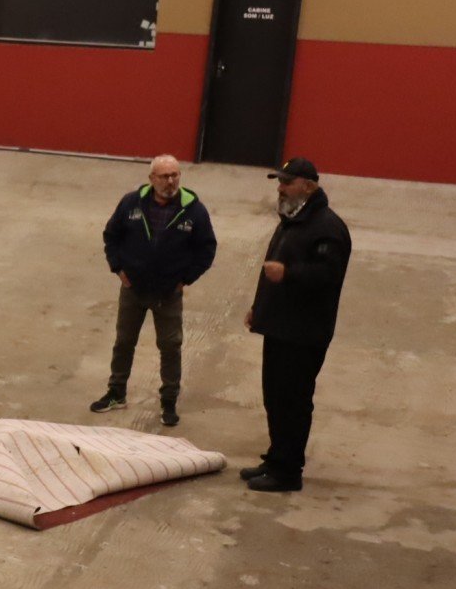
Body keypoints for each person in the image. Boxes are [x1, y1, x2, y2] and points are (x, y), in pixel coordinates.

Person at [241, 158, 351, 493]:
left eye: (287, 182)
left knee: (293, 400)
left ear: (309, 186)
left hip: (303, 333)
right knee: (275, 396)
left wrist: (289, 274)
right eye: (280, 181)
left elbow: (328, 276)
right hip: (280, 327)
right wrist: (259, 309)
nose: (280, 187)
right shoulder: (294, 220)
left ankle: (288, 472)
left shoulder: (327, 228)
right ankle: (277, 458)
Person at [90, 154, 217, 427]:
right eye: (164, 176)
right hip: (133, 290)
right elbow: (111, 235)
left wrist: (186, 279)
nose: (170, 181)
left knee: (170, 347)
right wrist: (118, 268)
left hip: (168, 294)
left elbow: (207, 249)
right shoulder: (131, 204)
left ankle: (169, 401)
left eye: (175, 175)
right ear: (152, 179)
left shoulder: (194, 211)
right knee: (124, 341)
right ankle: (116, 392)